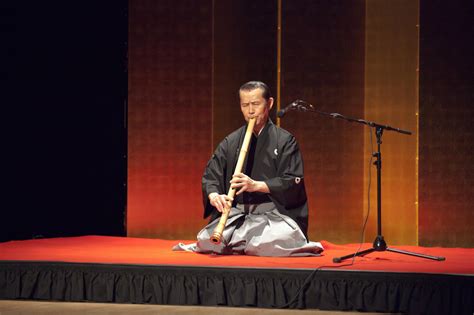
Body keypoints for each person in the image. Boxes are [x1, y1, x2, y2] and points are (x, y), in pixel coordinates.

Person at [175, 81, 323, 256]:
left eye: (255, 104)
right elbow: (211, 175)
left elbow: (292, 180)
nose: (250, 111)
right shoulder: (231, 141)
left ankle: (244, 243)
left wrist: (257, 185)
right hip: (238, 215)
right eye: (245, 105)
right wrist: (215, 196)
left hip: (272, 215)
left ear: (269, 103)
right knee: (207, 240)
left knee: (271, 241)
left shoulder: (285, 141)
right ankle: (245, 242)